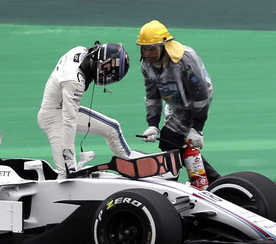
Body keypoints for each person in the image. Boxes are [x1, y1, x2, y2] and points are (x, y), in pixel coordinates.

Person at [136, 20, 219, 187]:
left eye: (152, 48)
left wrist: (197, 127)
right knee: (173, 142)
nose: (148, 53)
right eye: (144, 48)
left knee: (170, 138)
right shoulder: (146, 64)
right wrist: (153, 124)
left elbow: (200, 93)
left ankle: (201, 181)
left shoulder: (184, 60)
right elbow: (152, 95)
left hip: (195, 100)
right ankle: (207, 180)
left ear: (163, 46)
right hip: (174, 102)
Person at [38, 42, 132, 181]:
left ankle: (133, 167)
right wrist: (70, 162)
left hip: (61, 107)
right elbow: (69, 122)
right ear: (103, 63)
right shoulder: (75, 81)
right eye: (109, 74)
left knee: (113, 128)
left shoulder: (81, 50)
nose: (107, 79)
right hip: (54, 117)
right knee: (67, 176)